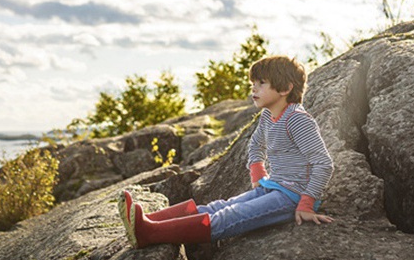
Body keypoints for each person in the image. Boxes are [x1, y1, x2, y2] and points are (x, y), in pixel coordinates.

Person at [119, 55, 334, 248]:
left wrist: (306, 203)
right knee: (218, 206)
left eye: (261, 83)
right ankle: (149, 219)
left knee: (229, 216)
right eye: (253, 83)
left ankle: (150, 233)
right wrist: (258, 173)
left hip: (292, 197)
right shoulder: (268, 117)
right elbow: (256, 144)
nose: (254, 89)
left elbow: (323, 163)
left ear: (285, 88)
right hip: (273, 187)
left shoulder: (297, 119)